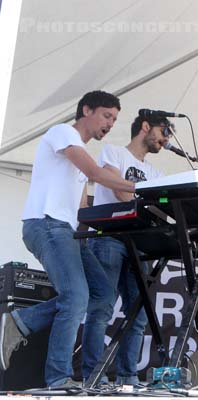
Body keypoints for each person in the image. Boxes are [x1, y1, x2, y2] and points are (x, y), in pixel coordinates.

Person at [0, 91, 135, 388]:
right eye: (106, 115)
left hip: (67, 232)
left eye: (114, 119)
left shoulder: (78, 158)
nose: (110, 124)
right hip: (46, 225)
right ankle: (59, 378)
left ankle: (24, 324)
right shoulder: (63, 132)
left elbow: (83, 209)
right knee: (75, 298)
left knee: (101, 295)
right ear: (86, 110)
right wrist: (142, 189)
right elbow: (96, 173)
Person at [81, 114, 172, 385]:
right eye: (164, 131)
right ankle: (93, 377)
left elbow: (161, 211)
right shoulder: (113, 152)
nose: (166, 139)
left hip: (139, 243)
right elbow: (121, 195)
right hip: (109, 237)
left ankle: (127, 377)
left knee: (139, 312)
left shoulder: (156, 173)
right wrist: (142, 201)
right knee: (102, 308)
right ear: (146, 127)